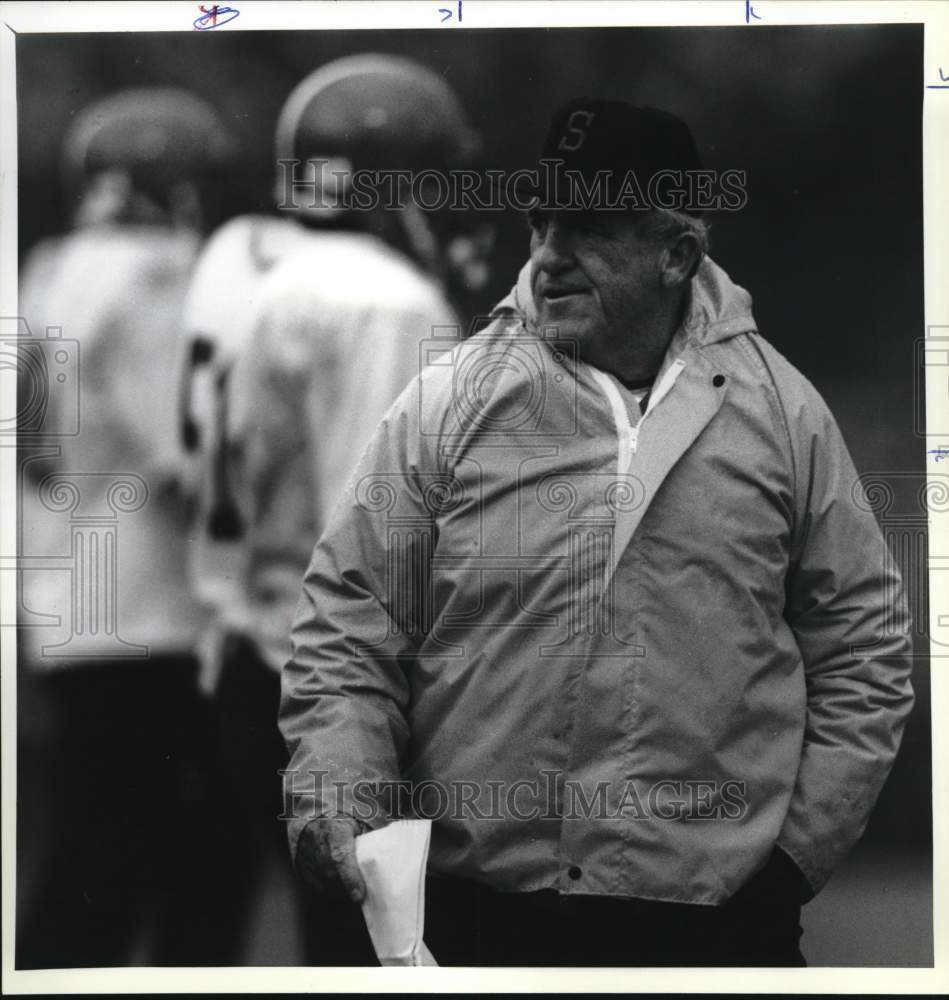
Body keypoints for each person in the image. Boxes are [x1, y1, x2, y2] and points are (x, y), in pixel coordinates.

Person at [279, 98, 915, 967]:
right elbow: (349, 619)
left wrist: (793, 862)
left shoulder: (783, 412)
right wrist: (341, 785)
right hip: (478, 922)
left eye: (587, 228)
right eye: (541, 223)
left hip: (718, 923)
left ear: (677, 254)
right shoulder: (449, 400)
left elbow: (865, 647)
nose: (547, 257)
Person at [180, 54, 484, 963]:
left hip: (252, 648)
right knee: (383, 962)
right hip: (330, 686)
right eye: (441, 179)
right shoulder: (379, 300)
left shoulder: (248, 262)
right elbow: (378, 537)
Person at [16, 88, 234, 967]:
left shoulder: (49, 270)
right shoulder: (153, 276)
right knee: (189, 868)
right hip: (151, 612)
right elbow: (186, 457)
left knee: (95, 860)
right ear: (176, 187)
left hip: (69, 602)